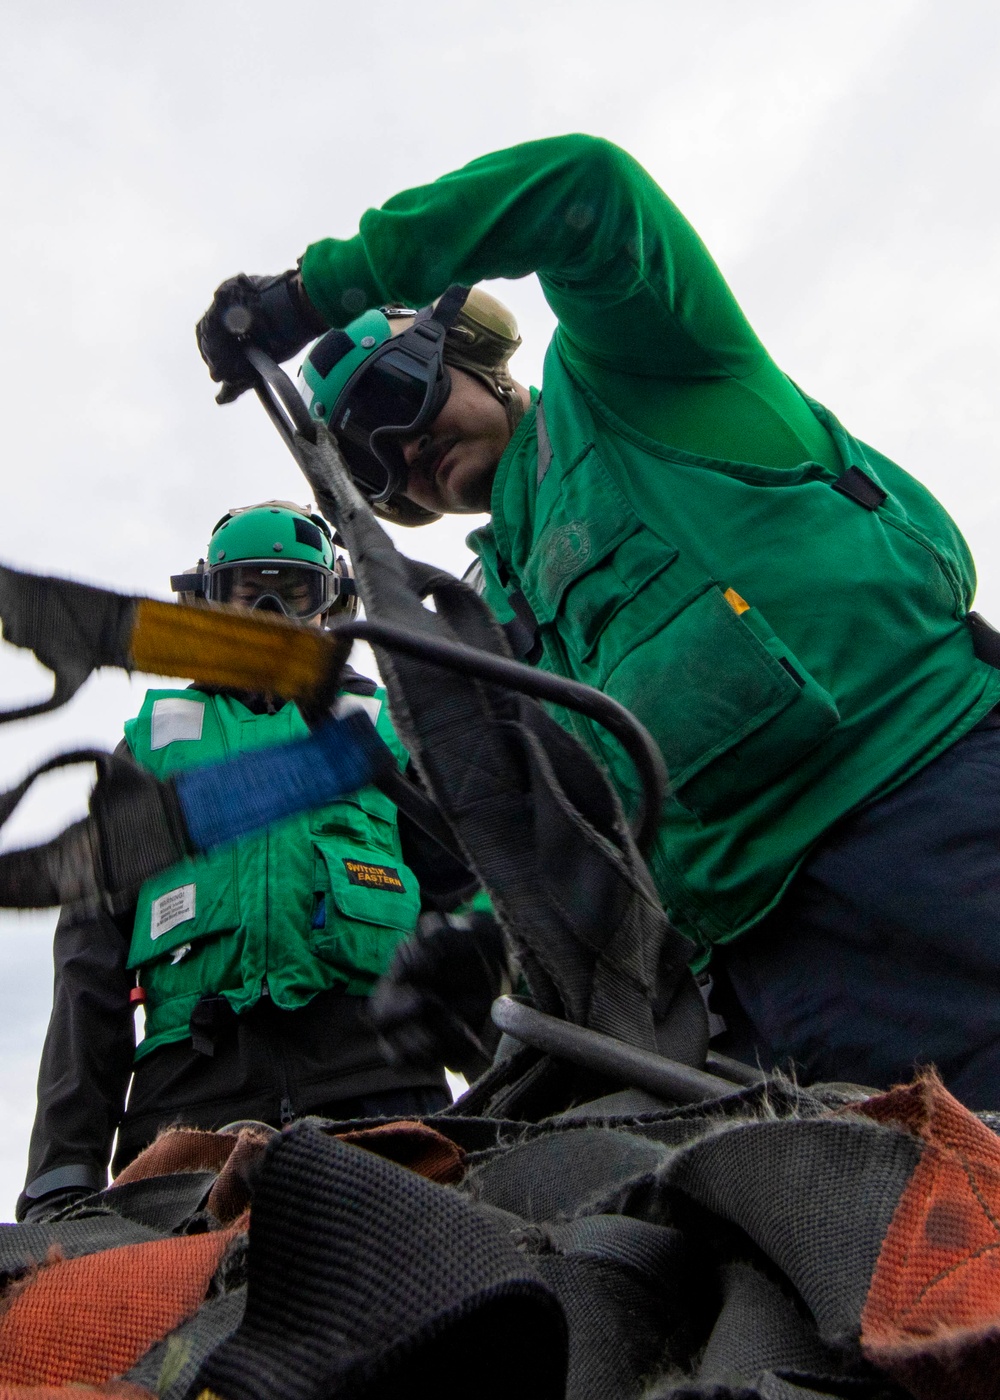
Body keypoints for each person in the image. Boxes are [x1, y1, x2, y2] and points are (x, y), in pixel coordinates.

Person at [195, 135, 1000, 1107]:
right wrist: (489, 939)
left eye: (396, 394)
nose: (403, 449)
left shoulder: (635, 372)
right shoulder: (491, 615)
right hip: (752, 981)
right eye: (369, 461)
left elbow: (585, 184)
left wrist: (315, 291)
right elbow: (573, 819)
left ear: (473, 357)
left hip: (927, 829)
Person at [17, 501, 475, 1222]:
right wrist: (62, 1168)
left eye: (292, 591)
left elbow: (477, 908)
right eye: (245, 590)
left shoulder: (388, 735)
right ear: (207, 599)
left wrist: (504, 1072)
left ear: (333, 603)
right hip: (186, 1101)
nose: (267, 612)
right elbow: (88, 964)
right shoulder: (149, 754)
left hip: (377, 1082)